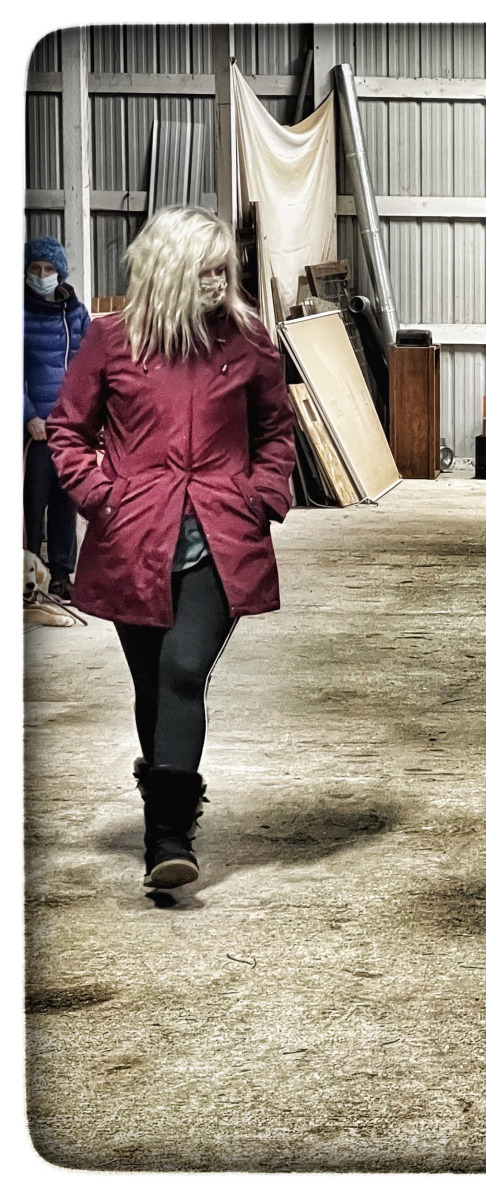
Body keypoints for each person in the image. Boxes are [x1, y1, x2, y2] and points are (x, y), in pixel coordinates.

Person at [47, 206, 296, 891]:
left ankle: (167, 838)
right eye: (205, 270)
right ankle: (167, 801)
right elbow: (69, 432)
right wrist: (103, 498)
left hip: (221, 536)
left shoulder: (248, 341)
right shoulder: (111, 339)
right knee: (152, 684)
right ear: (171, 268)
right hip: (136, 539)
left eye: (224, 269)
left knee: (184, 670)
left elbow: (276, 432)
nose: (219, 282)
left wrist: (260, 496)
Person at [23, 236, 91, 599]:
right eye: (34, 268)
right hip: (34, 431)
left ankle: (63, 575)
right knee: (31, 505)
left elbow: (92, 364)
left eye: (49, 268)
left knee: (67, 502)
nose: (41, 275)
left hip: (69, 427)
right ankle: (28, 576)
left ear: (60, 272)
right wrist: (28, 415)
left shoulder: (75, 313)